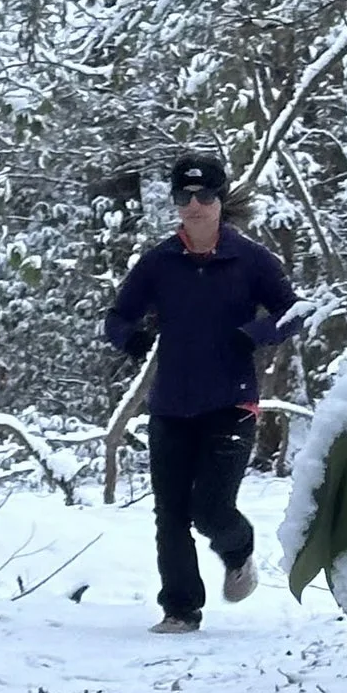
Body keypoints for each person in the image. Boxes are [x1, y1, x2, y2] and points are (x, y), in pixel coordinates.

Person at [103, 153, 298, 633]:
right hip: (171, 405)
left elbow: (294, 312)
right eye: (184, 196)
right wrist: (131, 338)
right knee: (169, 513)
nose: (194, 205)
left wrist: (255, 333)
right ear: (174, 201)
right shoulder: (159, 263)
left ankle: (238, 547)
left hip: (231, 403)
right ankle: (180, 608)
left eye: (205, 195)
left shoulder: (251, 260)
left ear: (220, 199)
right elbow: (116, 317)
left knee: (209, 509)